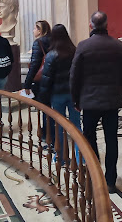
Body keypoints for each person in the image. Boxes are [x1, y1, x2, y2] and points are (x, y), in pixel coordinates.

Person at [70, 11, 122, 193]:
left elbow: (74, 76)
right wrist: (120, 92)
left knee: (89, 139)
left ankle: (94, 175)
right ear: (106, 25)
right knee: (112, 140)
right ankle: (110, 181)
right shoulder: (118, 46)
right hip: (111, 101)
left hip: (89, 101)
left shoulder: (83, 46)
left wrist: (76, 99)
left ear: (91, 25)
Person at [38, 24, 81, 158]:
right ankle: (81, 157)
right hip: (73, 93)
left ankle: (61, 157)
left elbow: (46, 79)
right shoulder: (75, 52)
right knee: (76, 126)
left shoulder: (51, 55)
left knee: (59, 127)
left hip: (57, 95)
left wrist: (43, 98)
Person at [24, 20, 51, 99]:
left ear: (40, 31)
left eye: (35, 28)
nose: (33, 31)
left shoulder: (38, 43)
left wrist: (27, 83)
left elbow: (35, 64)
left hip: (42, 78)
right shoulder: (54, 40)